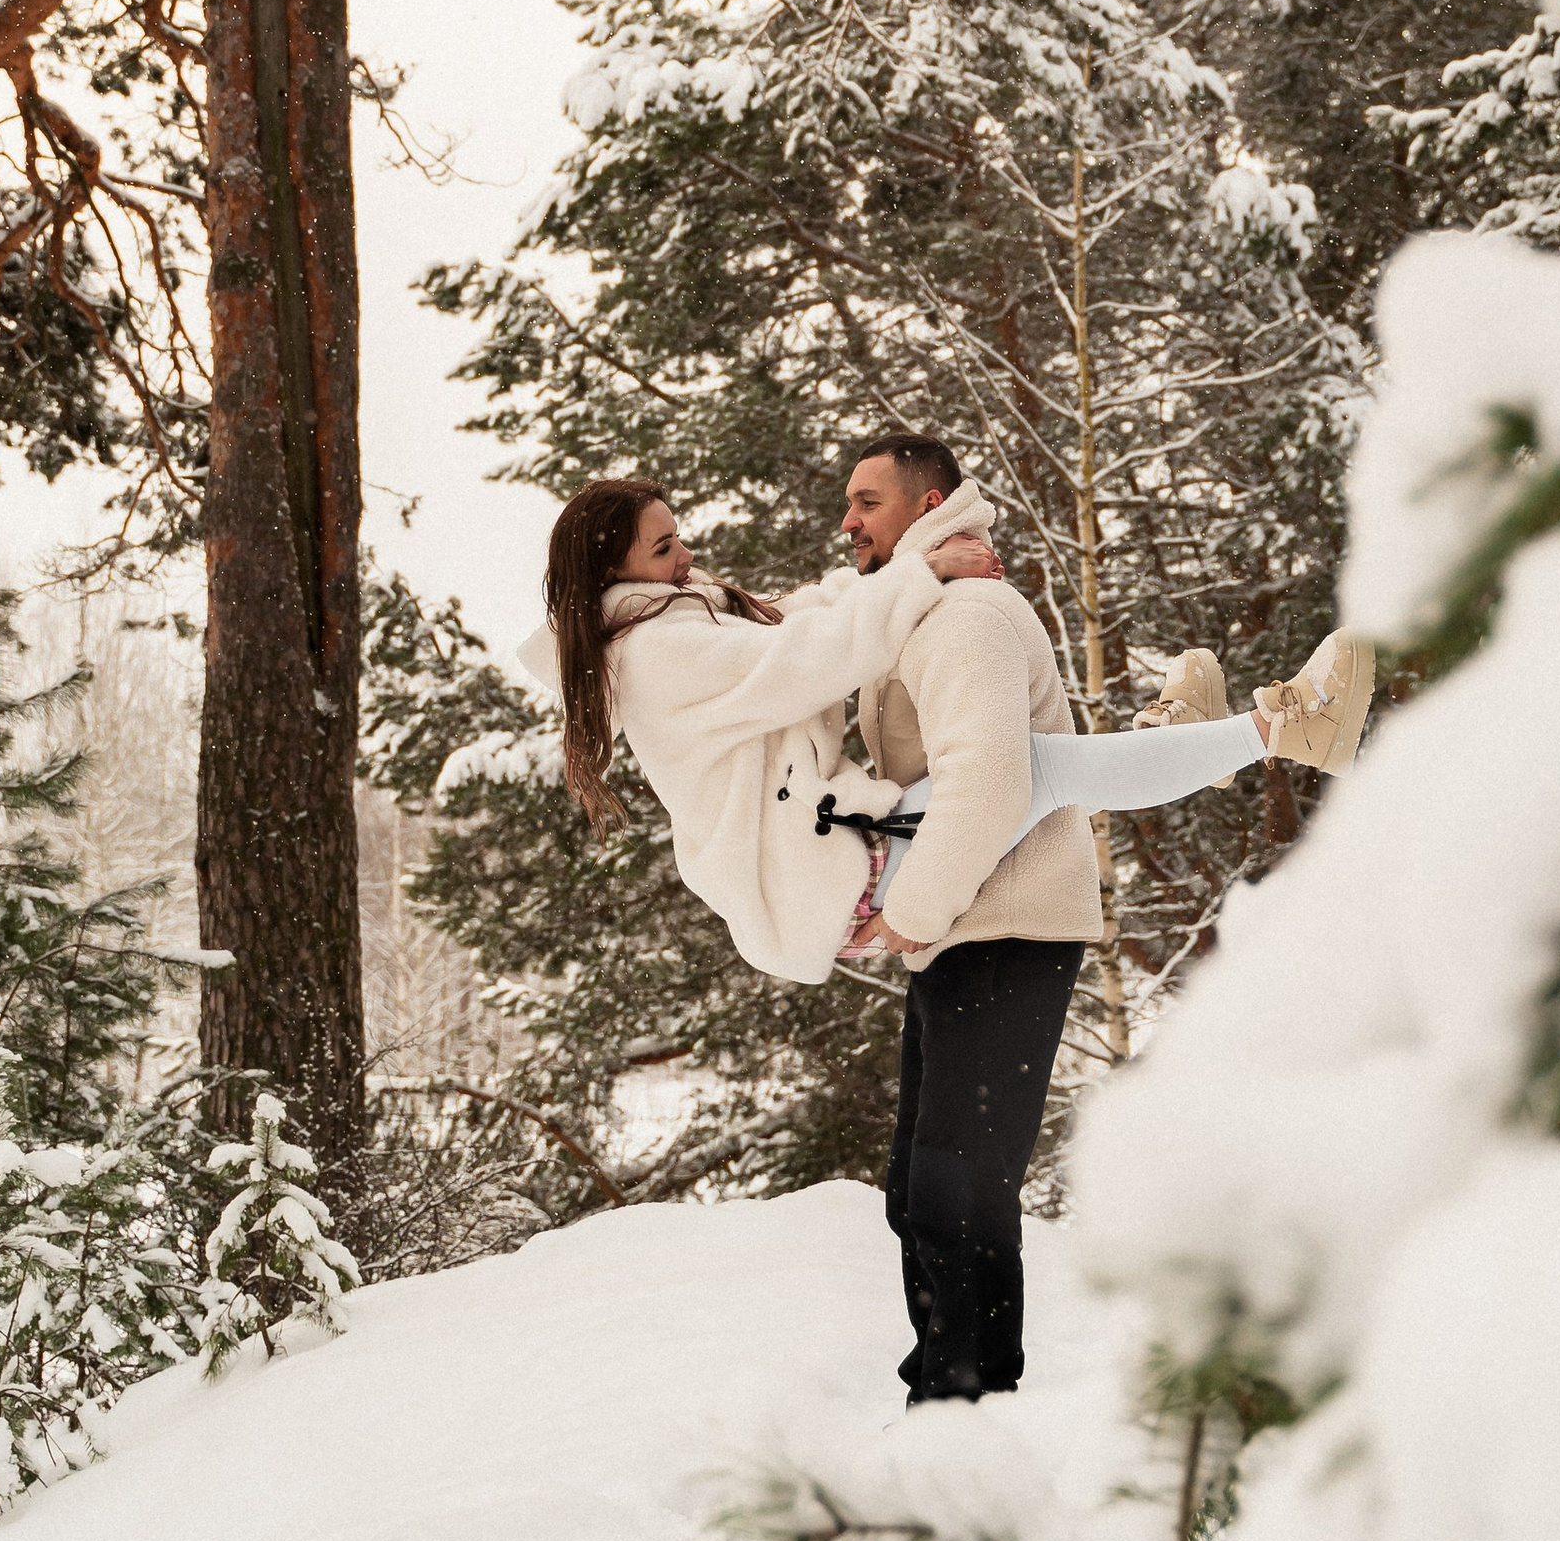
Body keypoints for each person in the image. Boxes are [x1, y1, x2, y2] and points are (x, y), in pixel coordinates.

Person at [526, 463, 1367, 1397]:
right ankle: (1262, 731)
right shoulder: (659, 651)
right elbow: (812, 655)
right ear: (615, 570)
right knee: (1036, 772)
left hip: (849, 847)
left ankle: (1195, 740)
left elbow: (809, 615)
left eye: (678, 537)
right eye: (663, 547)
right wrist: (925, 568)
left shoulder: (677, 619)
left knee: (938, 1176)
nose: (686, 556)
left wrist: (915, 566)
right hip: (841, 870)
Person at [841, 427, 1365, 1409]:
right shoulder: (913, 608)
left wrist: (908, 911)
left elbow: (994, 783)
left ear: (926, 505)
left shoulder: (963, 613)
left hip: (998, 921)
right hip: (970, 919)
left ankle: (967, 1403)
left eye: (868, 500)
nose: (846, 518)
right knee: (928, 1184)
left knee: (957, 1182)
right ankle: (1235, 725)